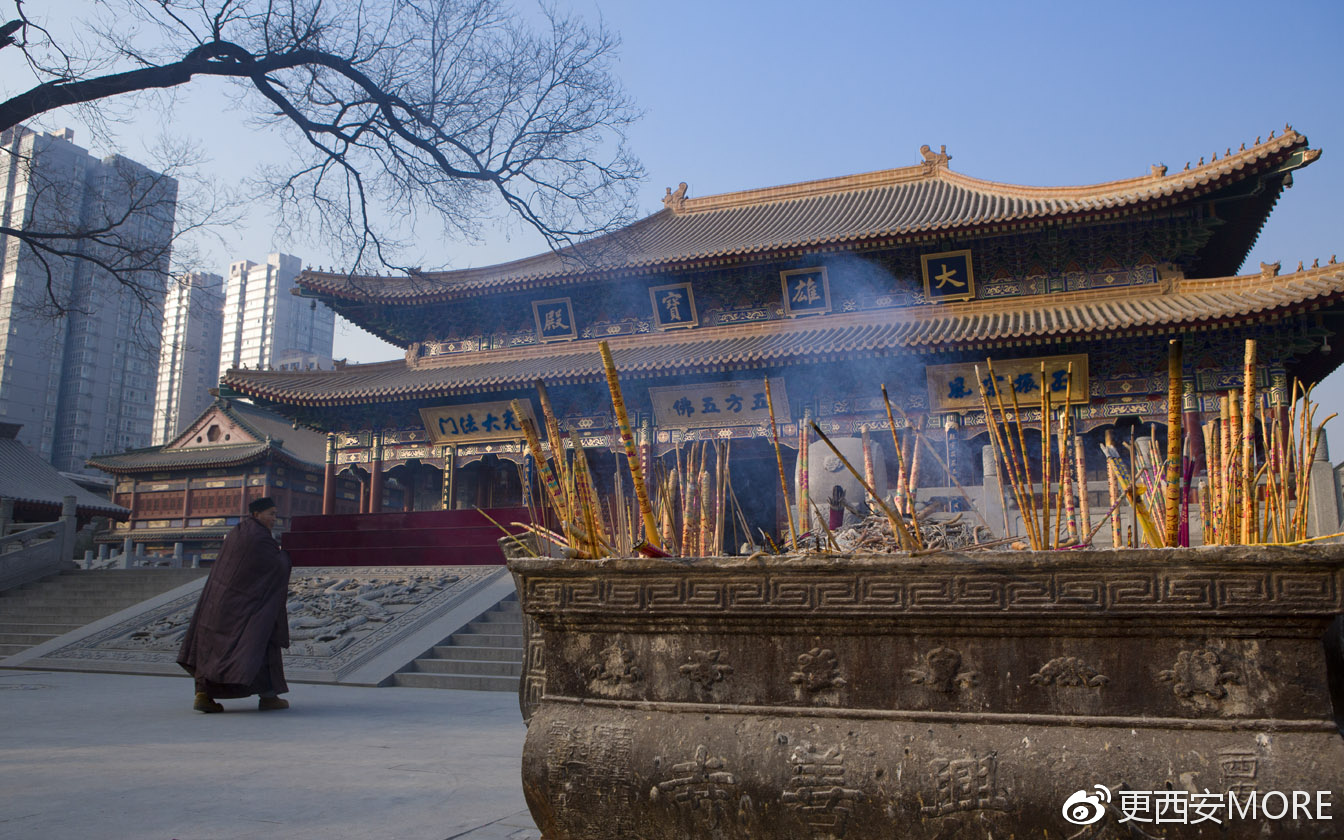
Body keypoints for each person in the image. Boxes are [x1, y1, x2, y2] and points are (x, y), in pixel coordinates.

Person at [177, 496, 292, 712]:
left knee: (212, 650)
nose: (274, 519)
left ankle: (203, 695)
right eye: (271, 514)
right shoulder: (258, 537)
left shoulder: (238, 532)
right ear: (256, 514)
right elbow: (275, 566)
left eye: (275, 514)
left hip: (218, 604)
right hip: (245, 607)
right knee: (259, 643)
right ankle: (268, 697)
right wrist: (286, 556)